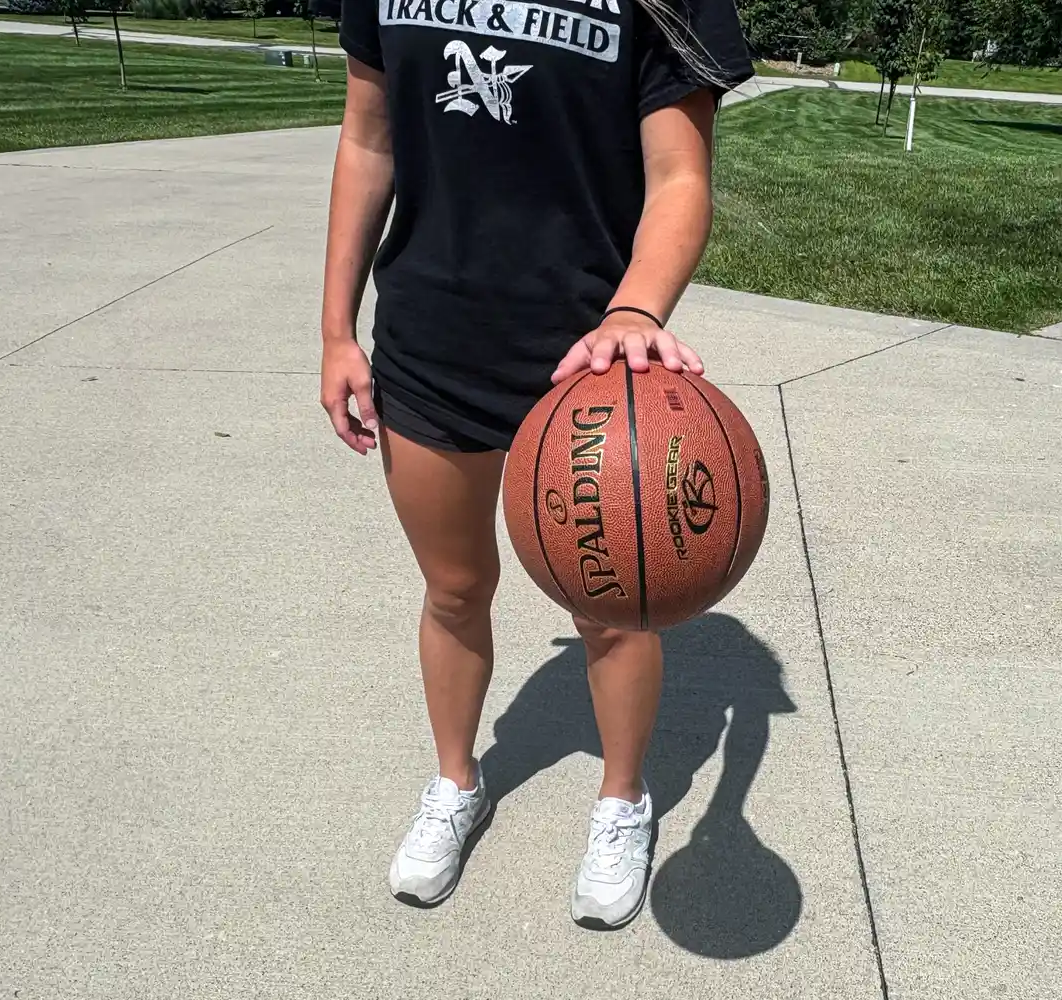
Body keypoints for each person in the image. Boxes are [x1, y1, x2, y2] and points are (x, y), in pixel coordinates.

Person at [320, 0, 752, 929]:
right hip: (430, 341)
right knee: (453, 589)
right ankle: (456, 782)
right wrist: (335, 330)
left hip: (589, 360)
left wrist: (635, 311)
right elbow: (367, 138)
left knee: (615, 602)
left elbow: (680, 174)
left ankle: (623, 798)